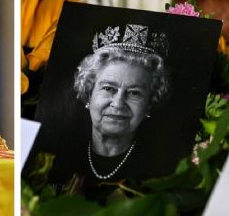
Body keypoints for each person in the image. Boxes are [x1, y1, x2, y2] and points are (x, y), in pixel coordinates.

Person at [73, 25, 170, 181]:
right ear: (89, 94)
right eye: (109, 88)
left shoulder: (163, 171)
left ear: (149, 103)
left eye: (134, 93)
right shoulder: (56, 155)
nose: (118, 103)